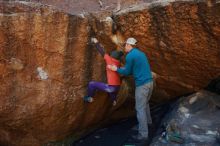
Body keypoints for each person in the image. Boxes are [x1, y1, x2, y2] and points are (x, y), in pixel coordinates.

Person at [108, 37, 153, 140]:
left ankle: (143, 134)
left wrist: (116, 69)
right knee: (145, 103)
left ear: (129, 45)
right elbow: (136, 68)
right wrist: (123, 69)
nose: (124, 47)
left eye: (125, 45)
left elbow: (127, 72)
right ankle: (148, 123)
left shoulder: (130, 56)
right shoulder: (141, 54)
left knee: (139, 108)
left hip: (142, 85)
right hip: (150, 82)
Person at [83, 38, 124, 106]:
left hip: (111, 88)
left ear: (112, 56)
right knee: (112, 91)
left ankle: (89, 97)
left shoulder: (109, 60)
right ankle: (114, 100)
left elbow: (102, 51)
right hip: (117, 87)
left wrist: (96, 42)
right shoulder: (118, 63)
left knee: (91, 84)